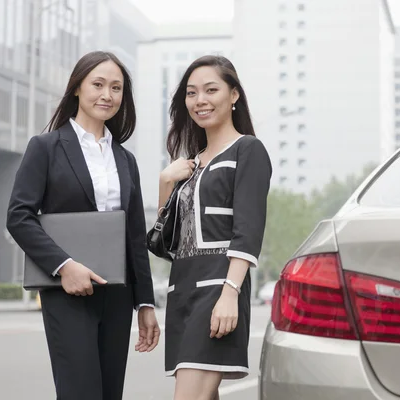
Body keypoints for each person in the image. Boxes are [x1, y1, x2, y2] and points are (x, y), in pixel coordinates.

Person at [6, 51, 159, 400]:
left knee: (109, 393)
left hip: (118, 295)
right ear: (77, 87)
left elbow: (134, 236)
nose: (107, 94)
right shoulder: (45, 148)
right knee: (80, 392)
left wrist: (145, 303)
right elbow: (18, 216)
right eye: (99, 84)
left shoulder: (125, 159)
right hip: (67, 293)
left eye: (116, 88)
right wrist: (64, 266)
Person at [157, 55, 272, 400]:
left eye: (211, 90)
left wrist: (229, 294)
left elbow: (248, 232)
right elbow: (167, 243)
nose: (200, 100)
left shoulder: (248, 150)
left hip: (217, 289)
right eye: (191, 93)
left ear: (233, 95)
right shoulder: (189, 163)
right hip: (182, 290)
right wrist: (166, 183)